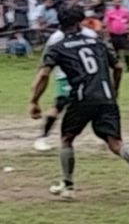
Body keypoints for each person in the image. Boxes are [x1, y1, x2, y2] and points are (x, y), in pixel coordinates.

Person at [28, 7, 129, 200]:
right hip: (106, 97)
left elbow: (44, 74)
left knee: (67, 139)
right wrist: (115, 91)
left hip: (81, 98)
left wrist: (34, 101)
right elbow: (118, 67)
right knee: (115, 142)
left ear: (60, 25)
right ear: (80, 23)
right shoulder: (97, 42)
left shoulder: (58, 46)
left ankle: (68, 186)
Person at [33, 24, 99, 152]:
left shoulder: (89, 34)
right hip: (65, 75)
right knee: (60, 103)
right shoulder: (57, 37)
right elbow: (46, 58)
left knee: (95, 104)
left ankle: (106, 135)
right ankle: (42, 137)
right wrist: (40, 72)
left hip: (87, 75)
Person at [104, 0, 129, 72]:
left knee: (126, 50)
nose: (117, 3)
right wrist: (106, 34)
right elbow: (106, 23)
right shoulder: (109, 12)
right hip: (113, 34)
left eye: (119, 1)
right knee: (115, 51)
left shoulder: (125, 11)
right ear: (112, 2)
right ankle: (117, 66)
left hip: (123, 34)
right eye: (116, 1)